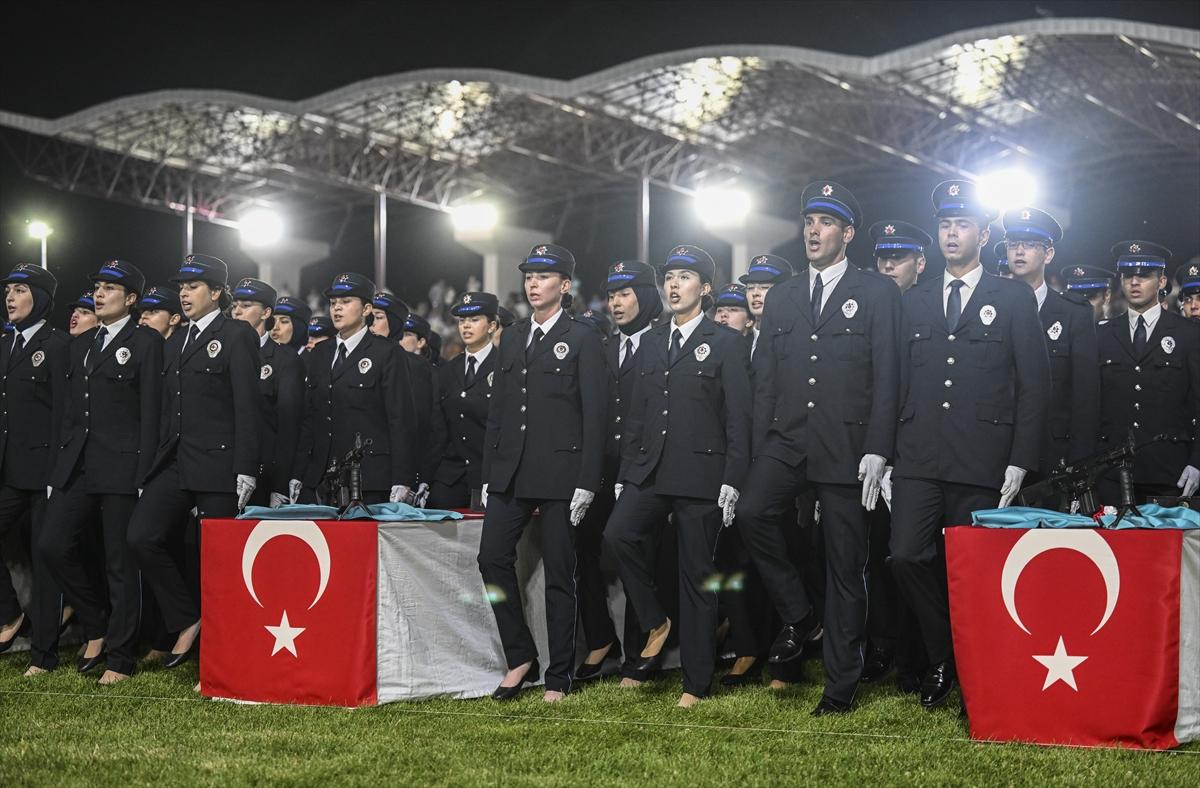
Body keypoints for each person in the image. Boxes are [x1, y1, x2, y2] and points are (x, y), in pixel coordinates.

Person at [737, 182, 901, 715]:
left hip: (847, 445)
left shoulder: (876, 292)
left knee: (845, 564)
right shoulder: (783, 294)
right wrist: (762, 445)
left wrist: (879, 447)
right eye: (809, 220)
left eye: (826, 222)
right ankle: (801, 615)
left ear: (847, 233)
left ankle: (840, 683)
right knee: (755, 511)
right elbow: (765, 379)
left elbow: (888, 376)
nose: (813, 230)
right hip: (786, 440)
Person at [890, 181, 1049, 710]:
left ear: (984, 234)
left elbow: (1034, 384)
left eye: (962, 225)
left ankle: (975, 666)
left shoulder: (1012, 297)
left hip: (982, 457)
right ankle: (943, 654)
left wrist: (1020, 459)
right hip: (917, 456)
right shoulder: (911, 300)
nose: (951, 233)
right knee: (907, 556)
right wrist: (885, 454)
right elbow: (894, 383)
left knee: (975, 570)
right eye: (944, 225)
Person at [606, 244, 752, 708]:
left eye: (685, 277)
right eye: (669, 276)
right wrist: (627, 472)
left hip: (703, 473)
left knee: (697, 575)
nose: (673, 284)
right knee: (618, 534)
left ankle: (696, 681)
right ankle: (656, 621)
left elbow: (739, 419)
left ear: (705, 289)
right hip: (650, 469)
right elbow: (639, 413)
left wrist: (733, 476)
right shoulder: (651, 340)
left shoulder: (727, 341)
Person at [478, 243, 606, 703]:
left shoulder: (585, 336)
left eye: (543, 276)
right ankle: (520, 656)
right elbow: (500, 410)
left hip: (562, 473)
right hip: (511, 471)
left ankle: (559, 675)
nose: (533, 283)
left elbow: (596, 416)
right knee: (490, 558)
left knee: (559, 574)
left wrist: (587, 481)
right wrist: (491, 472)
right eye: (529, 275)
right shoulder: (512, 336)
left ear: (565, 286)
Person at [126, 254, 262, 670]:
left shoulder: (237, 334)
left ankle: (225, 658)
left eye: (194, 286)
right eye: (181, 287)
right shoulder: (174, 340)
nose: (184, 293)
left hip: (220, 465)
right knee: (141, 536)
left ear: (217, 292)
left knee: (218, 564)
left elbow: (247, 406)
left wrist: (246, 467)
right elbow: (167, 410)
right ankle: (187, 618)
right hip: (176, 461)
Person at [40, 259, 162, 685]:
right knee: (52, 545)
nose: (99, 293)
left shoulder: (146, 342)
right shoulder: (82, 343)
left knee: (120, 565)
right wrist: (58, 469)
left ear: (130, 298)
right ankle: (96, 623)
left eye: (110, 288)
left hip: (124, 467)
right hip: (78, 465)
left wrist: (146, 472)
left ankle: (121, 659)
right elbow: (68, 413)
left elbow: (153, 412)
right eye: (97, 286)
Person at [575, 260, 666, 683]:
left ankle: (639, 653)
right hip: (600, 466)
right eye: (611, 294)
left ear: (646, 296)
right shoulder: (605, 347)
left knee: (636, 554)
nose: (615, 302)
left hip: (644, 468)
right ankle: (600, 638)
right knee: (580, 548)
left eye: (625, 293)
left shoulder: (665, 343)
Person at [292, 273, 416, 507]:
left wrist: (402, 478)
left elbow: (401, 419)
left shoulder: (386, 352)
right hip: (321, 477)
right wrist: (298, 473)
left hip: (369, 478)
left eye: (346, 301)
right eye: (333, 303)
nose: (337, 308)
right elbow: (310, 419)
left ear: (367, 308)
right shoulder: (320, 353)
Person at [0, 264, 69, 671]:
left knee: (45, 562)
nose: (9, 297)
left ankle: (44, 654)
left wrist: (58, 474)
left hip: (45, 474)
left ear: (39, 298)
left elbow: (65, 414)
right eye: (7, 290)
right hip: (9, 472)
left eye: (19, 290)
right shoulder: (4, 345)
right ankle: (10, 614)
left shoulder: (58, 345)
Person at [1096, 241, 1200, 501]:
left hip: (1169, 471)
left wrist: (1197, 462)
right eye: (1128, 275)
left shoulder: (1189, 335)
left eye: (1144, 276)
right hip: (1111, 473)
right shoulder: (1102, 335)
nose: (1135, 282)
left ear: (1162, 281)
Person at [1002, 207, 1099, 474]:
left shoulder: (1073, 313)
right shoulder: (988, 309)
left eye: (1030, 245)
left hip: (1052, 455)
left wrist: (1080, 463)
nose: (1019, 251)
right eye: (1013, 244)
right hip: (996, 450)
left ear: (1049, 253)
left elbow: (1085, 397)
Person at [230, 278, 305, 508]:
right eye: (235, 305)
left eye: (246, 305)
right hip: (221, 468)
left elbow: (288, 426)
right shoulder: (224, 350)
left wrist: (280, 485)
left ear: (265, 313)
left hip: (263, 472)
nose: (237, 312)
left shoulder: (284, 359)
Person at [428, 291, 499, 510]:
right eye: (462, 321)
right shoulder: (448, 370)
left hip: (489, 475)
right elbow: (438, 429)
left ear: (492, 326)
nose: (466, 326)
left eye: (474, 320)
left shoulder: (506, 367)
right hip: (451, 477)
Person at [373, 291, 438, 505]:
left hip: (389, 471)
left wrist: (408, 477)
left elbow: (414, 423)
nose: (371, 323)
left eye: (379, 317)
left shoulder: (414, 365)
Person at [871, 221, 931, 293]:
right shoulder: (865, 302)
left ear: (920, 265)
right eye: (883, 258)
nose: (888, 265)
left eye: (897, 257)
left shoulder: (935, 302)